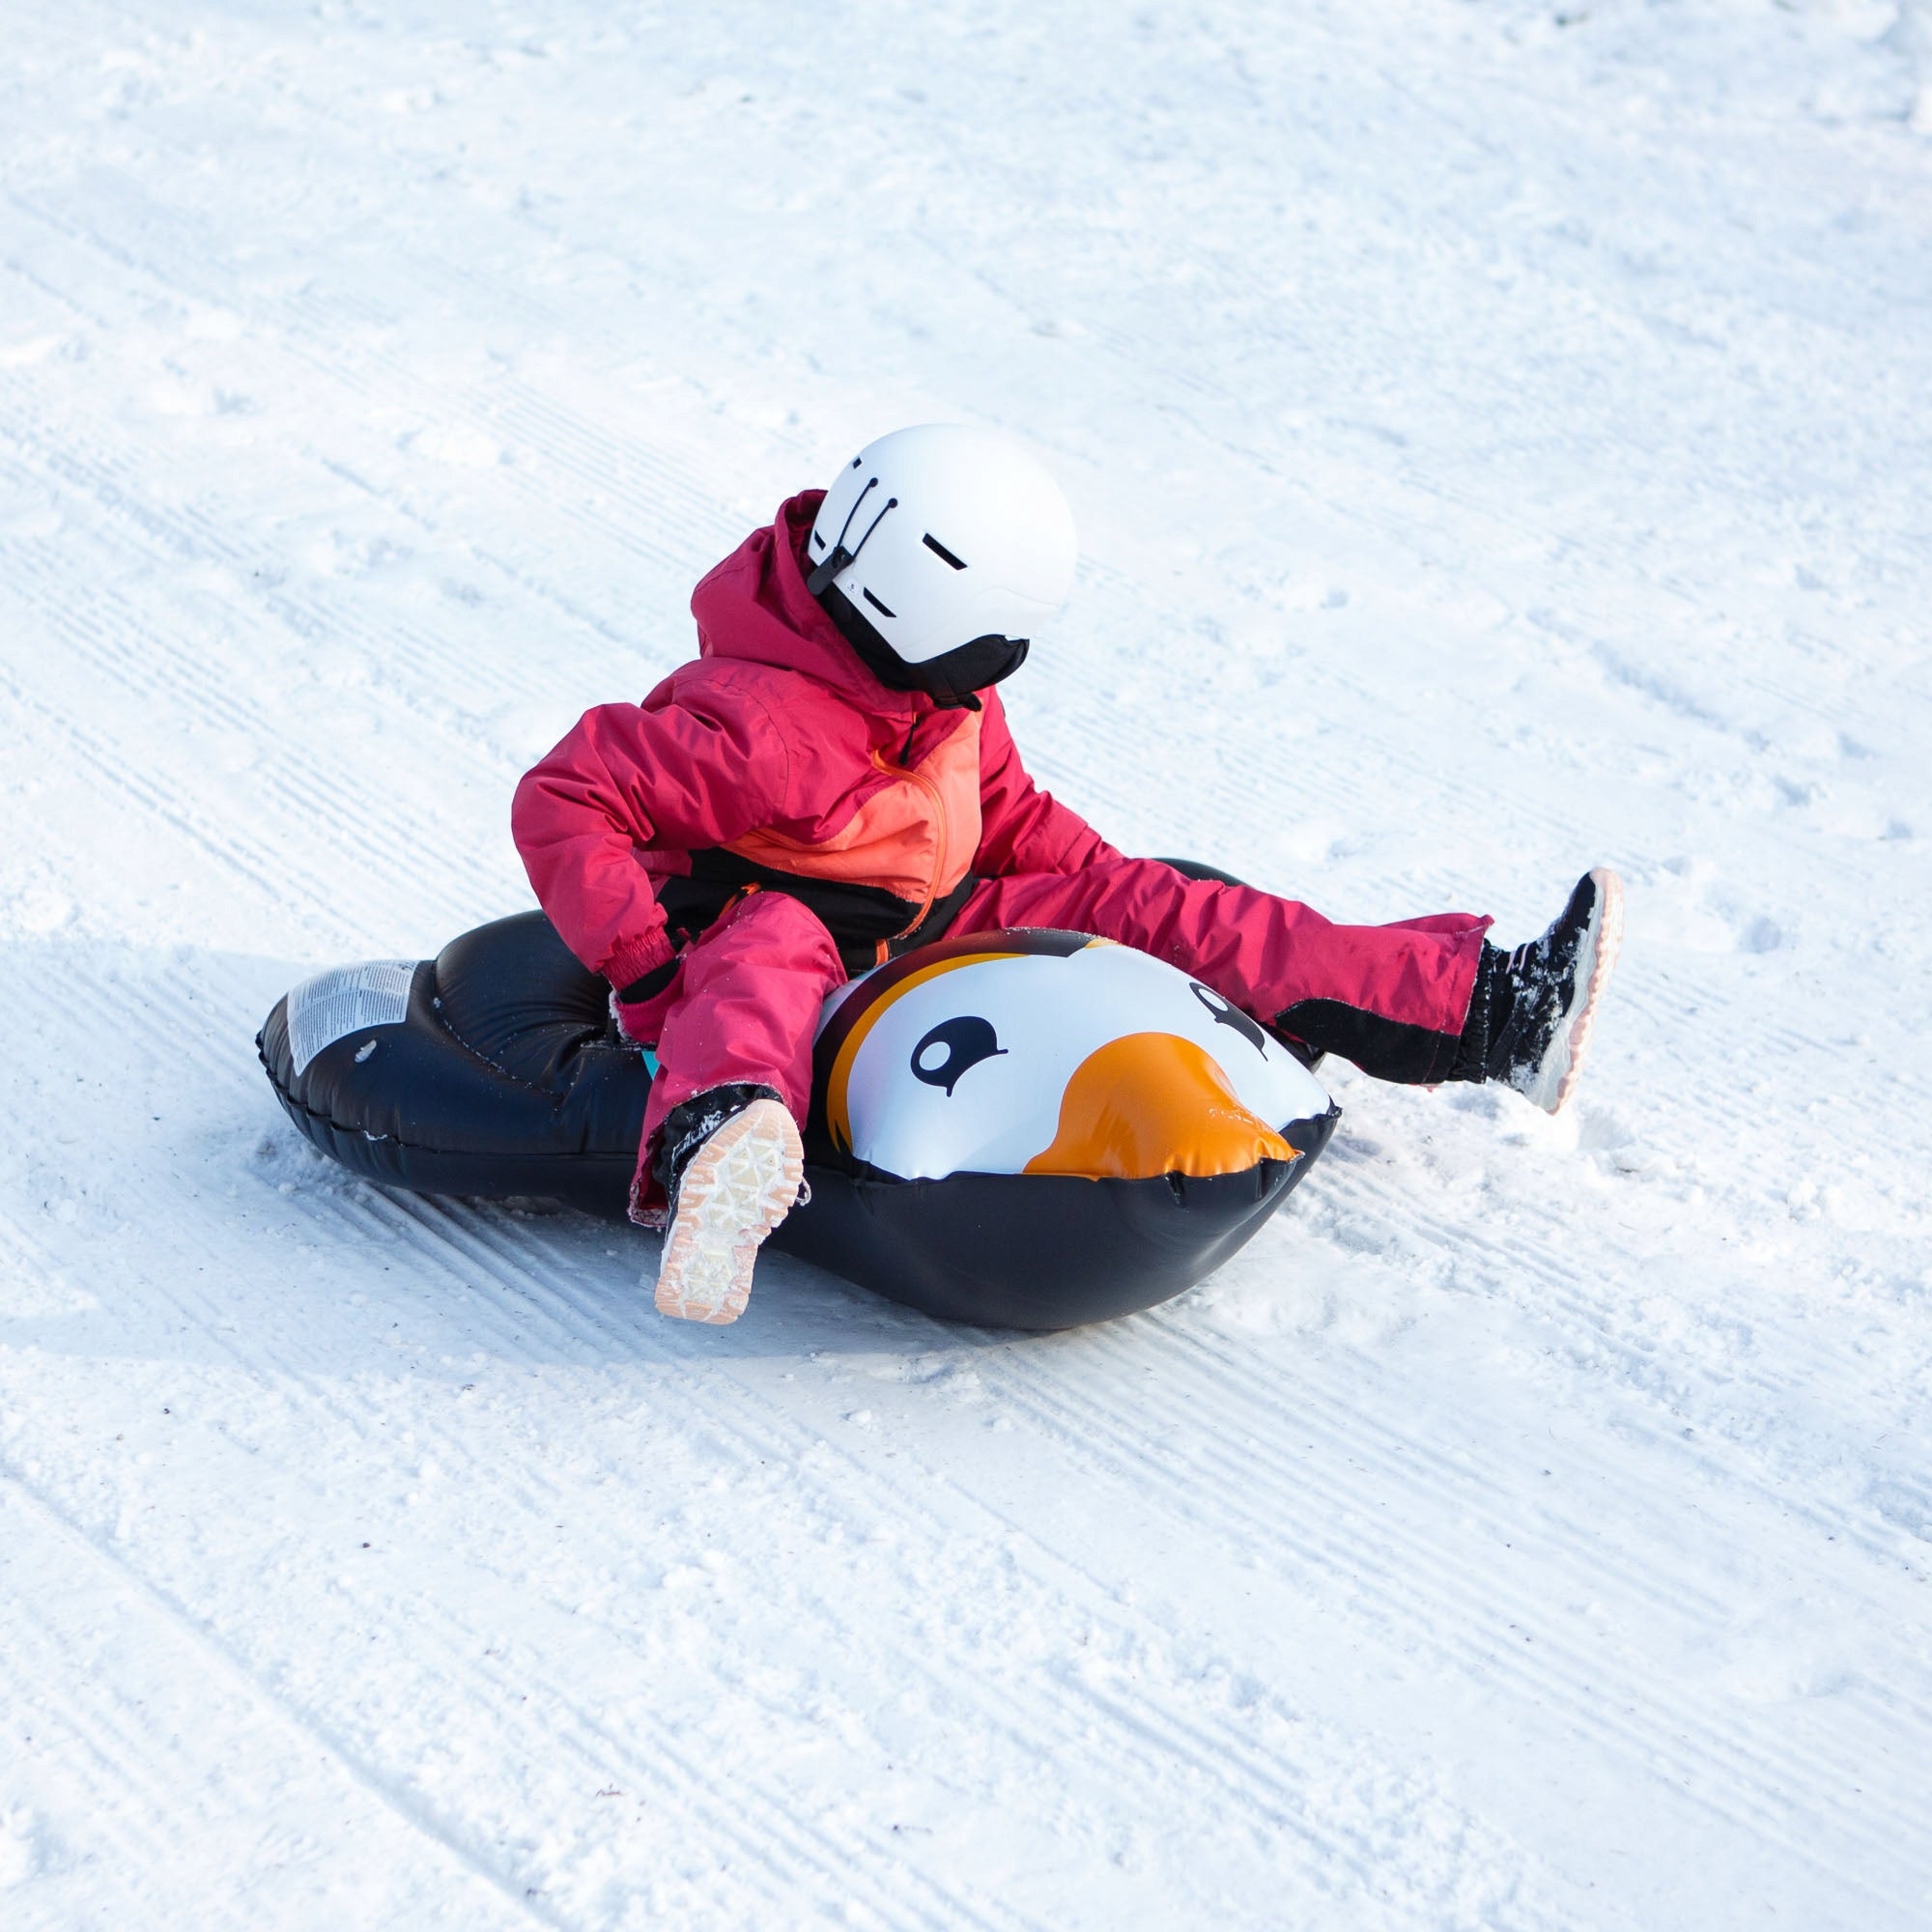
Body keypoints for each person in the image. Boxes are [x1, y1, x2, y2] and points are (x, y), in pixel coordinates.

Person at [513, 425, 1622, 1324]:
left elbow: (1011, 817)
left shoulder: (933, 696)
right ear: (918, 610)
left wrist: (1125, 907)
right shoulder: (746, 724)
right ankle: (724, 1145)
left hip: (924, 923)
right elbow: (562, 796)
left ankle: (1489, 1008)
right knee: (768, 951)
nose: (997, 673)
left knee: (1171, 903)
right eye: (991, 646)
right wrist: (652, 969)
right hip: (765, 940)